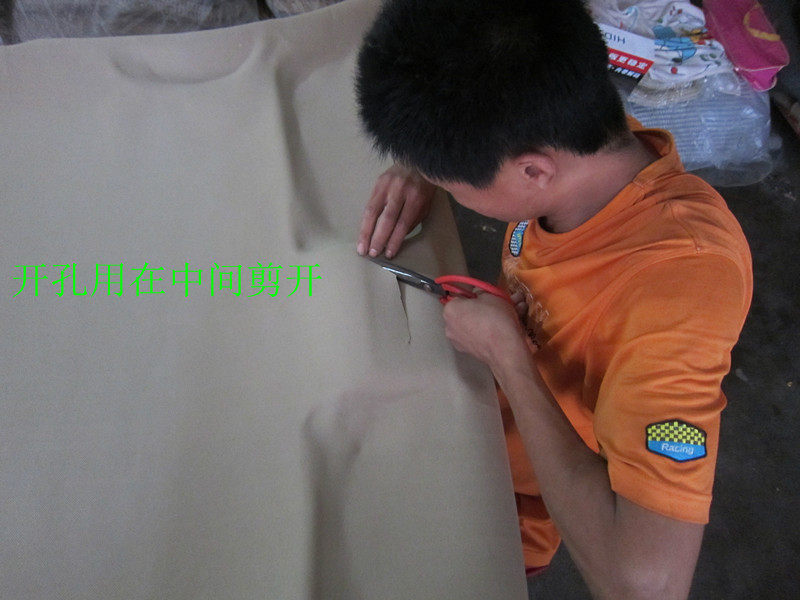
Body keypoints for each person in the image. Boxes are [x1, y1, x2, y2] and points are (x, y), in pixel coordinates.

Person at [354, 0, 752, 598]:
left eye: (451, 183)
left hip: (502, 507)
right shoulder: (575, 126)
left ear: (533, 172)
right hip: (459, 418)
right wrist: (423, 158)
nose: (445, 191)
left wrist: (510, 359)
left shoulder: (681, 288)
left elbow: (644, 585)